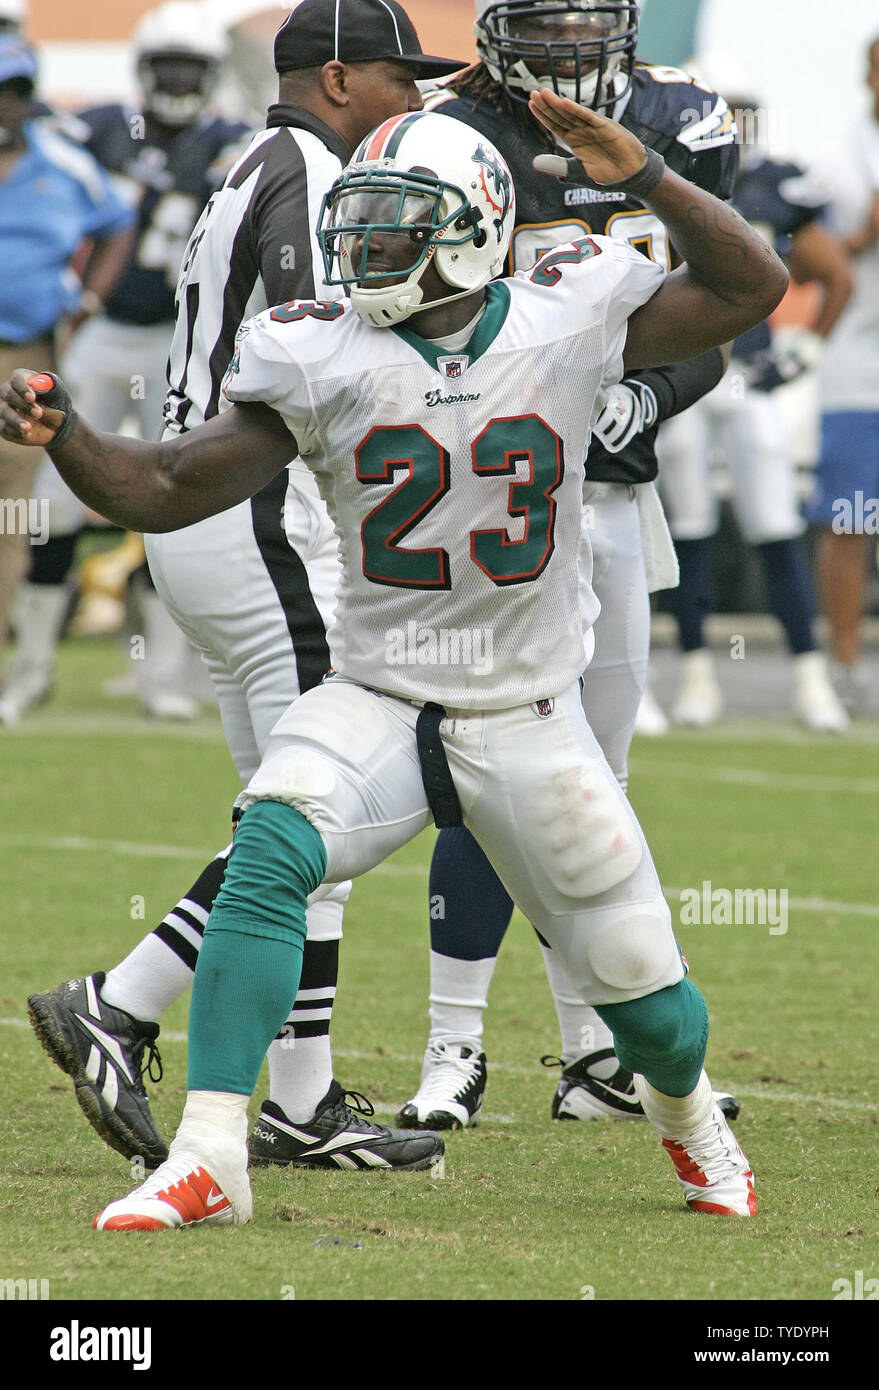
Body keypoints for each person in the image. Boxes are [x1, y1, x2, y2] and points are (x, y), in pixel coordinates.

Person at [3, 93, 788, 1227]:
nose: (361, 245)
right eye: (358, 220)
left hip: (526, 711)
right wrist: (67, 433)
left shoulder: (568, 313)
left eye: (392, 222)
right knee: (270, 843)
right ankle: (213, 1155)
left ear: (468, 225)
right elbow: (164, 487)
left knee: (652, 1007)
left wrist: (651, 177)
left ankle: (690, 1122)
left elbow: (751, 289)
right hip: (380, 694)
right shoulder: (324, 352)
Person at [25, 0, 463, 1179]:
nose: (412, 96)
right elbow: (316, 342)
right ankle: (121, 998)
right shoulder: (314, 169)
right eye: (394, 76)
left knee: (292, 811)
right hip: (256, 516)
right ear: (333, 76)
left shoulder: (251, 162)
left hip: (207, 521)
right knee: (327, 808)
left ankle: (302, 1101)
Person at [397, 0, 740, 1130]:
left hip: (610, 495)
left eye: (585, 21)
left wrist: (649, 390)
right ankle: (453, 1048)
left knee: (596, 782)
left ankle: (595, 1052)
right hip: (495, 492)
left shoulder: (680, 117)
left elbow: (721, 311)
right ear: (498, 30)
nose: (565, 47)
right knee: (481, 774)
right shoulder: (454, 130)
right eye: (543, 23)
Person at [0, 2, 251, 725]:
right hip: (105, 336)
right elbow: (35, 129)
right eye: (165, 66)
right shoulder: (102, 128)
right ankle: (33, 666)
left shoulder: (232, 142)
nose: (177, 80)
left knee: (176, 511)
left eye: (189, 68)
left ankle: (161, 675)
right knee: (50, 509)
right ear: (143, 72)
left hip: (184, 343)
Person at [656, 80, 852, 733]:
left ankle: (809, 677)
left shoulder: (769, 182)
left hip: (743, 375)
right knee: (689, 524)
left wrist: (801, 355)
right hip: (685, 375)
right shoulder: (657, 180)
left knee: (772, 522)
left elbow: (833, 273)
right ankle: (694, 675)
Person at [0, 35, 134, 691]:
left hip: (23, 352)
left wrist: (87, 299)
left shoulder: (62, 162)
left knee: (11, 507)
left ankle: (10, 658)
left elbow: (119, 218)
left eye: (12, 92)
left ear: (28, 100)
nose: (2, 105)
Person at [805, 33, 879, 714]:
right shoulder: (834, 164)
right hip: (858, 367)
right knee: (851, 518)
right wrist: (860, 238)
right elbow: (798, 262)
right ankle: (846, 664)